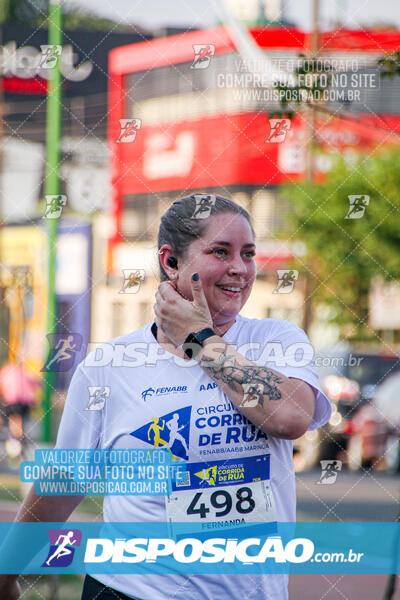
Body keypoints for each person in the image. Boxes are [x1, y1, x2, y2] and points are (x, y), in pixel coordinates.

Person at [0, 194, 331, 600]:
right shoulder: (109, 365)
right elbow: (66, 479)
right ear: (171, 261)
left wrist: (200, 339)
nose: (240, 269)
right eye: (220, 252)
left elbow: (292, 417)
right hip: (129, 589)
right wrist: (7, 571)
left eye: (248, 254)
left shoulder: (276, 341)